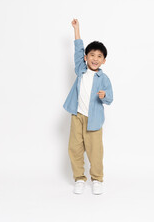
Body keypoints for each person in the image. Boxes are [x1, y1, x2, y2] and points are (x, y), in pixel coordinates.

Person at [63, 18, 113, 195]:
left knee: (95, 151)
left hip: (94, 120)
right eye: (92, 55)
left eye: (99, 56)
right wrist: (77, 29)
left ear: (103, 61)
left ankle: (97, 179)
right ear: (86, 57)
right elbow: (77, 50)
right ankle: (79, 178)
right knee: (75, 148)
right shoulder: (81, 70)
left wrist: (104, 95)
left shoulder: (104, 79)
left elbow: (110, 98)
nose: (95, 58)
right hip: (77, 116)